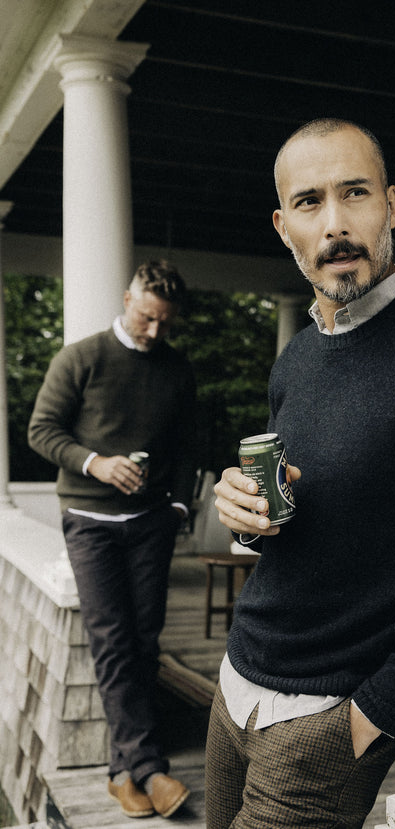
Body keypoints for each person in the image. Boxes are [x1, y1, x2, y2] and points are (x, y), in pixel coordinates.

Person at [208, 118, 395, 828]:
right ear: (282, 225)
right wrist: (248, 517)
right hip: (236, 685)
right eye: (309, 202)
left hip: (327, 723)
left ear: (390, 205)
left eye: (354, 194)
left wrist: (372, 718)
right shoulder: (296, 356)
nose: (335, 223)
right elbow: (299, 526)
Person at [28, 260, 198, 819]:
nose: (153, 332)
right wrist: (96, 464)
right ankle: (148, 767)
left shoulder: (176, 369)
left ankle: (121, 772)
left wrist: (177, 504)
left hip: (152, 522)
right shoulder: (81, 357)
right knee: (111, 639)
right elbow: (42, 430)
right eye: (147, 317)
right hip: (88, 518)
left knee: (144, 642)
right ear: (128, 298)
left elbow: (188, 444)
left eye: (164, 323)